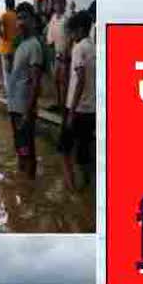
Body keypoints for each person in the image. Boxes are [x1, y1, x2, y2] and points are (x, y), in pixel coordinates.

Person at [58, 10, 96, 190]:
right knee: (83, 153)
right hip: (91, 110)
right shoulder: (94, 47)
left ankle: (71, 190)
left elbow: (80, 80)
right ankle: (85, 188)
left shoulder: (79, 48)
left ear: (80, 30)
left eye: (72, 31)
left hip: (77, 109)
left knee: (65, 150)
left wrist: (71, 112)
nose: (70, 35)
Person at [6, 2, 44, 179]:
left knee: (28, 150)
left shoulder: (34, 45)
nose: (20, 22)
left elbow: (36, 82)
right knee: (20, 148)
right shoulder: (20, 45)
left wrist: (29, 111)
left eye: (24, 18)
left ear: (32, 21)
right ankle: (23, 189)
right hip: (15, 106)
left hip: (24, 109)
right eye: (18, 18)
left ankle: (30, 188)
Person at [46, 0, 70, 112]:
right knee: (55, 79)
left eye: (61, 3)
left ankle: (64, 104)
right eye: (56, 3)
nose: (58, 5)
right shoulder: (53, 19)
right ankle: (58, 102)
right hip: (56, 53)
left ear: (64, 4)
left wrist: (67, 53)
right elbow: (50, 39)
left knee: (64, 81)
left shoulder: (67, 19)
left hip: (66, 54)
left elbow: (70, 38)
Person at [0, 0, 18, 94]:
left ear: (6, 5)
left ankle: (9, 91)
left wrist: (2, 35)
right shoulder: (17, 15)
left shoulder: (5, 15)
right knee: (14, 69)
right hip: (16, 47)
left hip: (5, 46)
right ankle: (14, 90)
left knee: (7, 71)